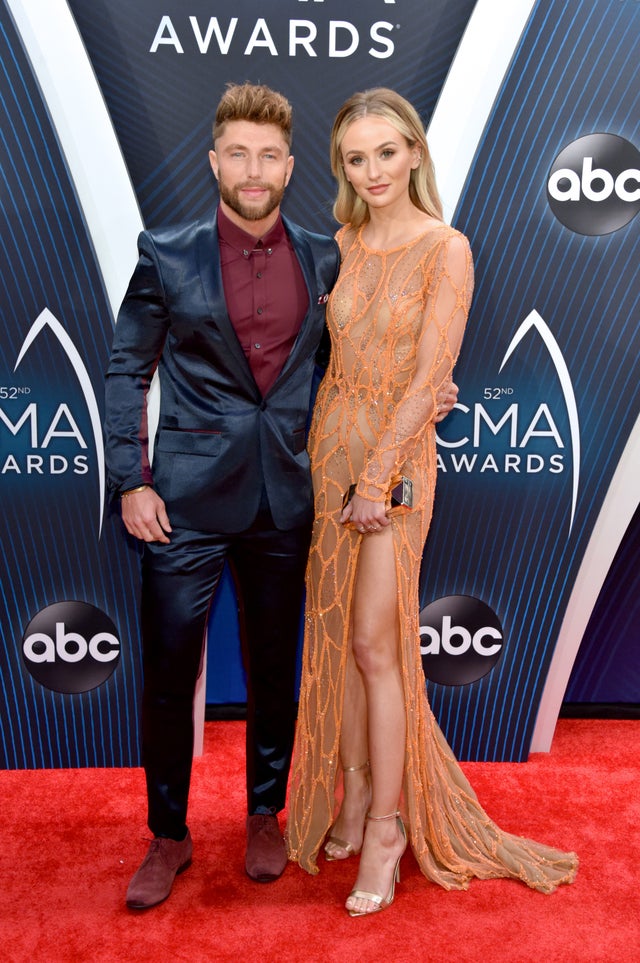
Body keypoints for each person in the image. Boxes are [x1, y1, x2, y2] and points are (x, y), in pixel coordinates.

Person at [104, 80, 461, 911]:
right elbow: (128, 370)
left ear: (292, 165)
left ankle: (266, 813)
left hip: (296, 496)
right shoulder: (166, 251)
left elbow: (362, 355)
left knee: (279, 668)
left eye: (269, 155)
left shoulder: (329, 250)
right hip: (182, 501)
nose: (254, 169)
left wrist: (428, 393)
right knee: (167, 675)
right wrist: (131, 478)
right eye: (238, 153)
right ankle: (168, 834)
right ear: (215, 161)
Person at [286, 88, 578, 916]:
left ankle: (387, 824)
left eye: (386, 152)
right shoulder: (339, 243)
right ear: (342, 168)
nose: (372, 170)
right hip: (329, 445)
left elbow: (427, 377)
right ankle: (349, 794)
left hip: (397, 460)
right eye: (355, 158)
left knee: (379, 644)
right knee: (339, 636)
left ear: (414, 152)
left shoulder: (446, 247)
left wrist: (378, 477)